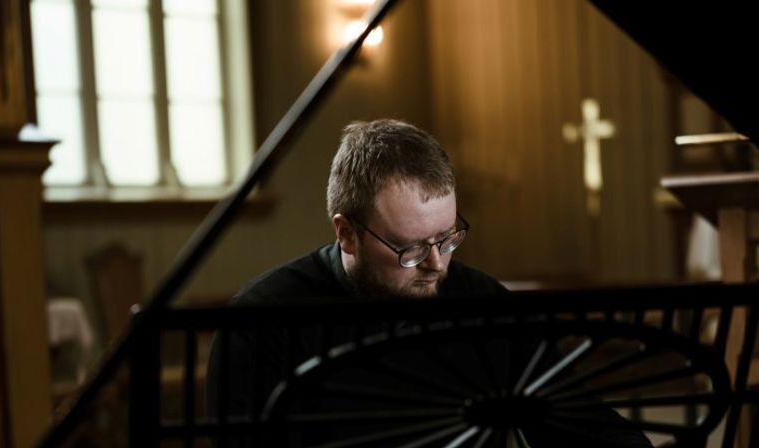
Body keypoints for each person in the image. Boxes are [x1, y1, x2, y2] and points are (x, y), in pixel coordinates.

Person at [205, 119, 651, 447]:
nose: (437, 264)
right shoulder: (261, 322)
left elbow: (579, 423)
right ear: (346, 233)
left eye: (448, 238)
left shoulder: (483, 303)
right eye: (410, 248)